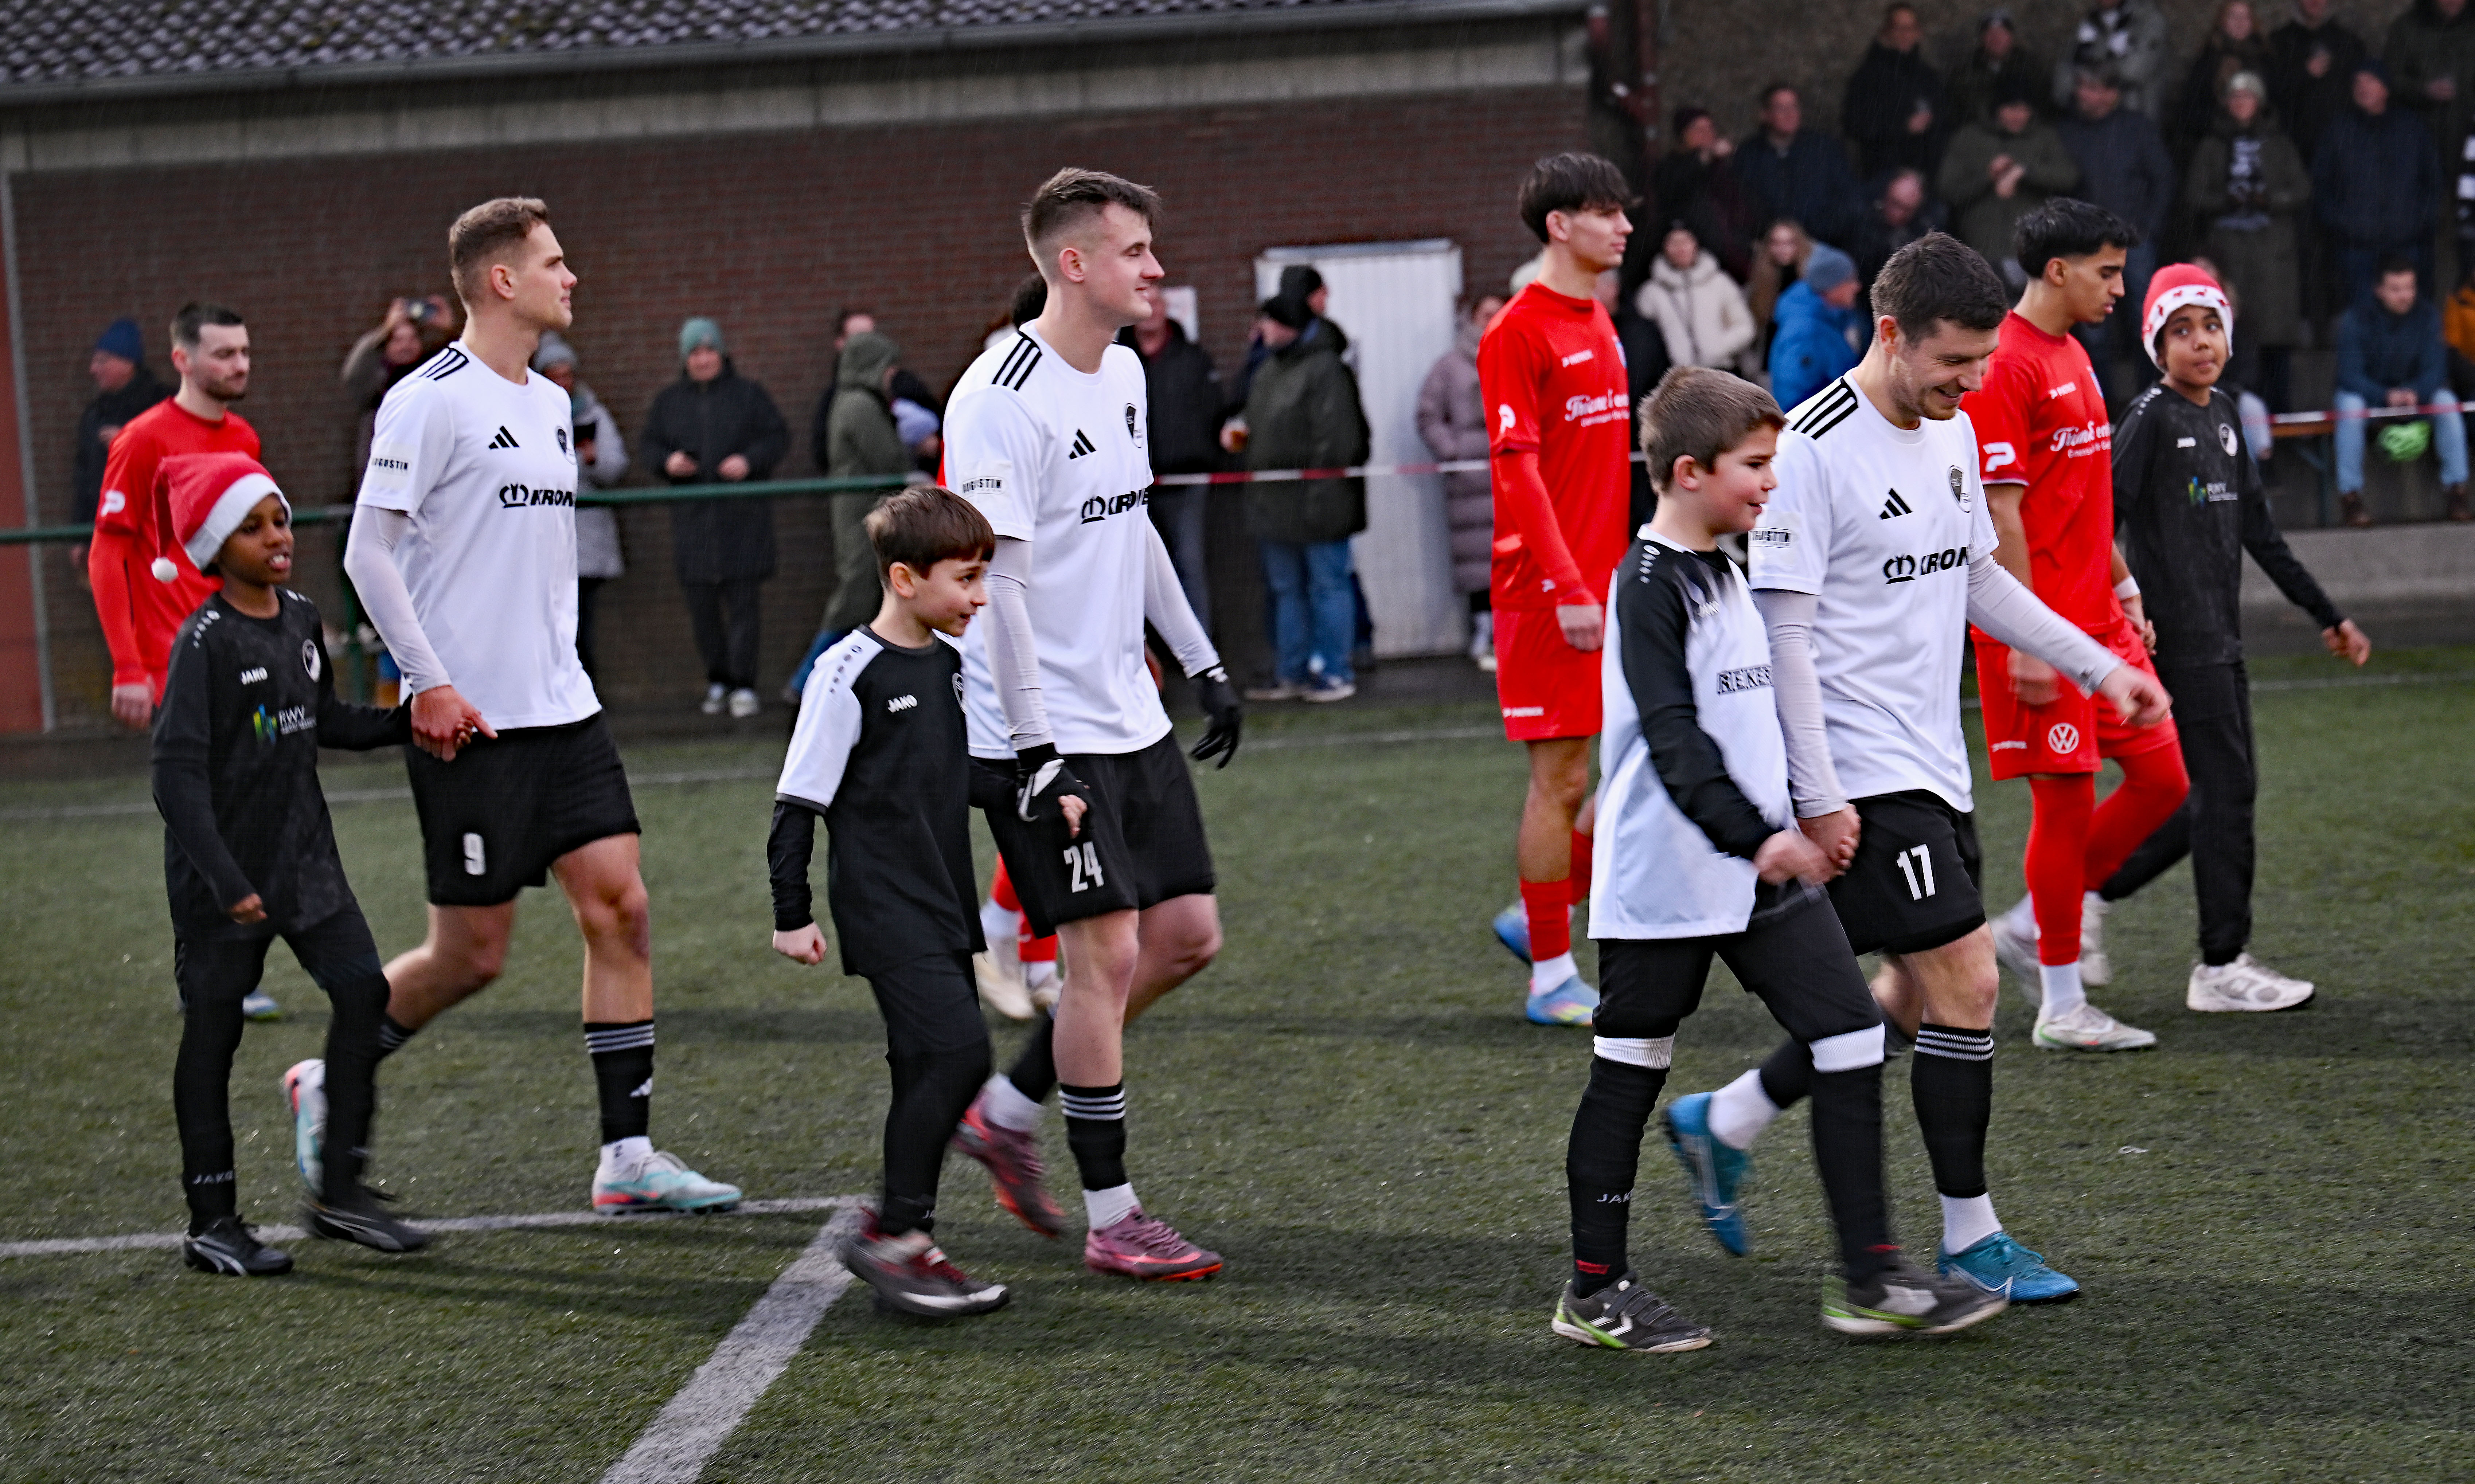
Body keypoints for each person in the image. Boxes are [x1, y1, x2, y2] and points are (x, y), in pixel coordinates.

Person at [1658, 234, 2171, 1304]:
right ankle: (1968, 1235)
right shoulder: (1809, 450)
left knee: (1905, 990)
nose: (1973, 381)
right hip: (1857, 767)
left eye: (1983, 361)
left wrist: (2095, 665)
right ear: (1889, 334)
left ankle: (1726, 1117)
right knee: (1968, 979)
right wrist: (1819, 794)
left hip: (1933, 761)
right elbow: (1784, 636)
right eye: (1954, 361)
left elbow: (1978, 576)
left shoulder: (1953, 427)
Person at [1552, 365, 2004, 1350]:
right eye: (1754, 465)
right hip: (1669, 881)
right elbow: (1675, 743)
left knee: (1847, 1035)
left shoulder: (1726, 566)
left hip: (1758, 868)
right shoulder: (1647, 587)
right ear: (1687, 472)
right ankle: (1593, 1289)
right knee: (1630, 1068)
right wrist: (1759, 836)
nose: (1771, 480)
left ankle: (1870, 1279)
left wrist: (1810, 807)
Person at [338, 197, 742, 1216]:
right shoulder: (426, 400)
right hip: (469, 724)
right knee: (470, 956)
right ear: (502, 280)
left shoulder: (555, 405)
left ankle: (627, 1156)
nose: (572, 278)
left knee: (623, 910)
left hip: (567, 712)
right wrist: (428, 679)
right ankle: (330, 1075)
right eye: (555, 262)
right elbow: (366, 553)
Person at [941, 167, 1243, 1282]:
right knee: (1103, 953)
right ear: (1072, 264)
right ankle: (1114, 1216)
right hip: (1042, 729)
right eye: (1134, 251)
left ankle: (1006, 1109)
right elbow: (999, 589)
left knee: (1186, 937)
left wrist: (1202, 660)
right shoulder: (997, 397)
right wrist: (1035, 748)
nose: (1155, 268)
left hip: (1128, 713)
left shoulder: (1122, 370)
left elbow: (1132, 523)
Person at [151, 451, 425, 1275]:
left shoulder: (302, 615)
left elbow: (321, 717)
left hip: (306, 862)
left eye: (280, 519)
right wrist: (226, 880)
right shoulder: (203, 643)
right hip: (225, 880)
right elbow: (175, 778)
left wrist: (409, 721)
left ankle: (339, 1189)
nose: (278, 537)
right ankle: (211, 1219)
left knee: (364, 992)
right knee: (215, 1034)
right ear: (214, 546)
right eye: (252, 526)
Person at [769, 485, 1014, 1317]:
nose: (980, 596)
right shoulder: (847, 669)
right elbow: (798, 800)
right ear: (905, 579)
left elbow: (956, 771)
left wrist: (1042, 787)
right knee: (960, 1053)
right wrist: (791, 912)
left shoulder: (947, 664)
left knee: (922, 1062)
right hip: (883, 903)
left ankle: (907, 1240)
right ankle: (895, 1234)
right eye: (966, 578)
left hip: (940, 897)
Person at [2102, 265, 2371, 1010]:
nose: (2200, 342)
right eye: (2181, 330)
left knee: (2204, 798)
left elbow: (2260, 532)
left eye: (2210, 326)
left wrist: (2326, 613)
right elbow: (2098, 525)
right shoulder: (2148, 418)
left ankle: (2076, 898)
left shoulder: (2222, 412)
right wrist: (2120, 611)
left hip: (2221, 640)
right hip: (2177, 645)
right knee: (2224, 795)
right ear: (2155, 345)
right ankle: (2219, 965)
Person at [1965, 200, 2191, 1052]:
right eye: (2106, 271)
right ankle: (2061, 1004)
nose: (2119, 288)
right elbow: (2001, 514)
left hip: (2099, 619)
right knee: (2062, 808)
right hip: (2041, 628)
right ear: (2056, 270)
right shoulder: (2005, 362)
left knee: (2164, 780)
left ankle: (2031, 922)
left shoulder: (2073, 352)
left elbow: (2080, 494)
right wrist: (2026, 639)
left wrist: (2122, 582)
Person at [1476, 153, 1636, 1028]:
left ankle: (1537, 914)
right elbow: (1518, 472)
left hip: (1607, 584)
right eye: (1606, 213)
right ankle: (1548, 974)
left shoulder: (1598, 317)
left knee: (1637, 763)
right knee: (1562, 779)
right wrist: (1570, 585)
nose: (1624, 227)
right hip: (1550, 595)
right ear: (1559, 225)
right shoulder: (1516, 331)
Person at [638, 317, 790, 718]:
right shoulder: (668, 402)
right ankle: (718, 680)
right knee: (702, 612)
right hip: (693, 528)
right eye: (695, 353)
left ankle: (744, 685)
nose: (703, 359)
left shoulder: (749, 396)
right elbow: (649, 446)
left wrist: (749, 461)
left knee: (744, 609)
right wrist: (668, 462)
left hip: (744, 526)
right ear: (685, 359)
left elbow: (777, 437)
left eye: (709, 351)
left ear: (721, 354)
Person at [1240, 291, 1370, 702]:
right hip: (1274, 505)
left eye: (1268, 321)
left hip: (1319, 504)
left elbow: (1338, 440)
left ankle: (1335, 672)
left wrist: (1319, 499)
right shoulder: (1268, 369)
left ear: (1289, 325)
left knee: (1327, 586)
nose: (1261, 329)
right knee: (1287, 591)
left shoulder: (1326, 369)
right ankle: (1291, 672)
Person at [2185, 71, 2309, 410]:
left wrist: (2269, 200)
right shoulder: (2211, 145)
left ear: (2259, 102)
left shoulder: (2279, 144)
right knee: (2234, 332)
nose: (2242, 104)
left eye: (2248, 97)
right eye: (2235, 97)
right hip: (2229, 249)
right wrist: (2226, 200)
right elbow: (2195, 195)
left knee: (2275, 338)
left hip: (2272, 252)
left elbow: (2301, 189)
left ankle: (2280, 417)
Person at [2057, 69, 2175, 384]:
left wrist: (2149, 229)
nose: (2082, 94)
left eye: (2091, 87)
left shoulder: (2136, 128)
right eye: (2080, 86)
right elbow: (2057, 183)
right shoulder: (2067, 130)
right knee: (2093, 329)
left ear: (2111, 94)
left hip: (2133, 240)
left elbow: (2163, 178)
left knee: (2145, 321)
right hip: (2086, 244)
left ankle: (2150, 395)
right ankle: (2102, 402)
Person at [2331, 257, 2469, 525]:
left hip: (2416, 398)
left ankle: (2457, 491)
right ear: (2379, 290)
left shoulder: (2428, 317)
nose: (2404, 296)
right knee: (2349, 407)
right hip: (2371, 399)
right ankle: (2351, 497)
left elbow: (2437, 370)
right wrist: (2386, 396)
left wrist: (2415, 392)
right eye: (2395, 289)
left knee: (2447, 402)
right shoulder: (2355, 319)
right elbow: (2349, 375)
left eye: (2409, 288)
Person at [1124, 289, 1223, 631]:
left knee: (1188, 566)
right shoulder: (1118, 360)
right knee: (1135, 571)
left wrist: (1205, 456)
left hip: (1185, 482)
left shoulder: (1192, 358)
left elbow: (1215, 413)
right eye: (1144, 302)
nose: (1150, 310)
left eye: (1156, 303)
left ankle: (1199, 649)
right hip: (1134, 486)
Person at [531, 332, 630, 679]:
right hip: (544, 534)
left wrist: (592, 459)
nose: (563, 382)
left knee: (580, 624)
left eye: (567, 374)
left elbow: (615, 467)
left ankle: (582, 689)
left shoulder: (592, 413)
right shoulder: (529, 415)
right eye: (554, 376)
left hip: (584, 538)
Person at [817, 330, 923, 647]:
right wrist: (914, 473)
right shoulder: (860, 404)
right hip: (861, 513)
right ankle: (811, 671)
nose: (892, 374)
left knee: (866, 594)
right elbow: (888, 459)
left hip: (865, 510)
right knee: (857, 594)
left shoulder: (853, 400)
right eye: (888, 367)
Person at [1419, 292, 1505, 671]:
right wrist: (1452, 452)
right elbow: (1427, 415)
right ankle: (1483, 633)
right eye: (1486, 314)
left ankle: (1507, 634)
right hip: (1469, 482)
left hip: (1509, 476)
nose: (1492, 321)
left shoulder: (1515, 358)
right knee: (1476, 560)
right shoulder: (1449, 367)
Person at [2313, 61, 2441, 312]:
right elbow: (2321, 184)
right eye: (2357, 83)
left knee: (2411, 313)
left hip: (2407, 241)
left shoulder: (2411, 127)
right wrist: (2341, 223)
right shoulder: (2338, 130)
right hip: (2357, 244)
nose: (2363, 88)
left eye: (2370, 82)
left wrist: (2420, 220)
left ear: (2386, 88)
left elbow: (2433, 180)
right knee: (2362, 315)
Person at [1939, 80, 2082, 285]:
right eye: (2012, 109)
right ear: (1997, 109)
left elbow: (2069, 177)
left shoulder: (2044, 137)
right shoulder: (1969, 138)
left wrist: (2025, 171)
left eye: (2025, 110)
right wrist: (1988, 177)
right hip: (1981, 247)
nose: (2019, 116)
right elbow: (1948, 190)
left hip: (2032, 247)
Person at [69, 317, 166, 576]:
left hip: (154, 540)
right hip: (108, 540)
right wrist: (80, 536)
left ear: (127, 363)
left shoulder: (162, 406)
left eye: (102, 362)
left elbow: (181, 461)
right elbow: (85, 479)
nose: (93, 370)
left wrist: (130, 443)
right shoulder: (94, 415)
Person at [810, 308, 942, 473]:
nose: (892, 372)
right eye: (859, 337)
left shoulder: (894, 386)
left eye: (871, 336)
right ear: (840, 342)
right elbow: (889, 461)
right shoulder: (858, 401)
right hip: (867, 488)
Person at [342, 297, 456, 481]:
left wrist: (448, 332)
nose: (406, 346)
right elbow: (354, 374)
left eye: (412, 339)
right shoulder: (378, 377)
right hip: (383, 468)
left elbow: (461, 365)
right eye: (398, 340)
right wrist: (383, 332)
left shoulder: (430, 371)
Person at [1737, 85, 1864, 246]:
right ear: (1765, 115)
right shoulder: (1749, 154)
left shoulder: (1823, 147)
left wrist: (1822, 231)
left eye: (1794, 107)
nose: (1790, 114)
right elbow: (1745, 204)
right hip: (1774, 244)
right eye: (1781, 108)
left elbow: (1849, 195)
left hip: (1825, 241)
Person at [1652, 107, 1761, 280]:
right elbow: (1677, 190)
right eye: (1698, 129)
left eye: (1710, 129)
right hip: (1701, 250)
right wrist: (1703, 158)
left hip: (1738, 246)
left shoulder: (1725, 167)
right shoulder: (1670, 167)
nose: (1706, 135)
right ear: (1683, 135)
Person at [1843, 4, 1949, 181]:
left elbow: (1944, 120)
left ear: (1918, 33)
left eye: (1910, 28)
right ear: (1886, 32)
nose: (1905, 34)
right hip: (1884, 173)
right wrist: (1903, 127)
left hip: (1926, 174)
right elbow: (1855, 124)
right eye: (1899, 28)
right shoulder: (1868, 76)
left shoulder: (1929, 77)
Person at [1639, 224, 1757, 376]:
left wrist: (1717, 350)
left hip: (1720, 373)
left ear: (1696, 244)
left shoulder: (1720, 282)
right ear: (1664, 247)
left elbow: (1745, 327)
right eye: (1673, 242)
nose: (1681, 248)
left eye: (1686, 241)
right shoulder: (1651, 293)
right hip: (1676, 378)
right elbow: (1644, 339)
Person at [1767, 244, 1865, 411]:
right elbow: (1795, 401)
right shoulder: (1804, 332)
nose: (1857, 287)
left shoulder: (1833, 321)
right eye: (1850, 280)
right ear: (1831, 286)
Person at [2177, 1, 2273, 156]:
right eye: (2234, 16)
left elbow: (2274, 105)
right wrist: (2220, 127)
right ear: (2223, 21)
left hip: (2260, 141)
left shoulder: (2265, 59)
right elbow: (2191, 111)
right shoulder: (2207, 62)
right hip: (2217, 143)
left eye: (2245, 17)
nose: (2240, 22)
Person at [2057, 0, 2171, 120]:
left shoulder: (2149, 20)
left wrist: (2099, 83)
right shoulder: (2091, 18)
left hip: (2132, 113)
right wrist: (2081, 91)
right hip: (2084, 114)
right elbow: (2065, 70)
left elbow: (2136, 71)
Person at [1949, 8, 2048, 130]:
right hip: (1983, 134)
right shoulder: (1966, 73)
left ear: (2011, 37)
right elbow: (1961, 111)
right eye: (1991, 34)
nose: (1997, 39)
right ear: (1982, 39)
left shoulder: (2030, 67)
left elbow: (2044, 106)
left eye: (2002, 33)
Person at [1853, 169, 1940, 304]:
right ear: (1886, 195)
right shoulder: (1861, 216)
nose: (1898, 214)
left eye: (1907, 210)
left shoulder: (1922, 230)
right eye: (1896, 204)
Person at [1744, 219, 1815, 363]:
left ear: (1800, 245)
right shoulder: (1761, 282)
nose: (1782, 249)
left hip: (1807, 357)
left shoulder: (1813, 281)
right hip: (1772, 358)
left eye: (1789, 243)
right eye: (1776, 243)